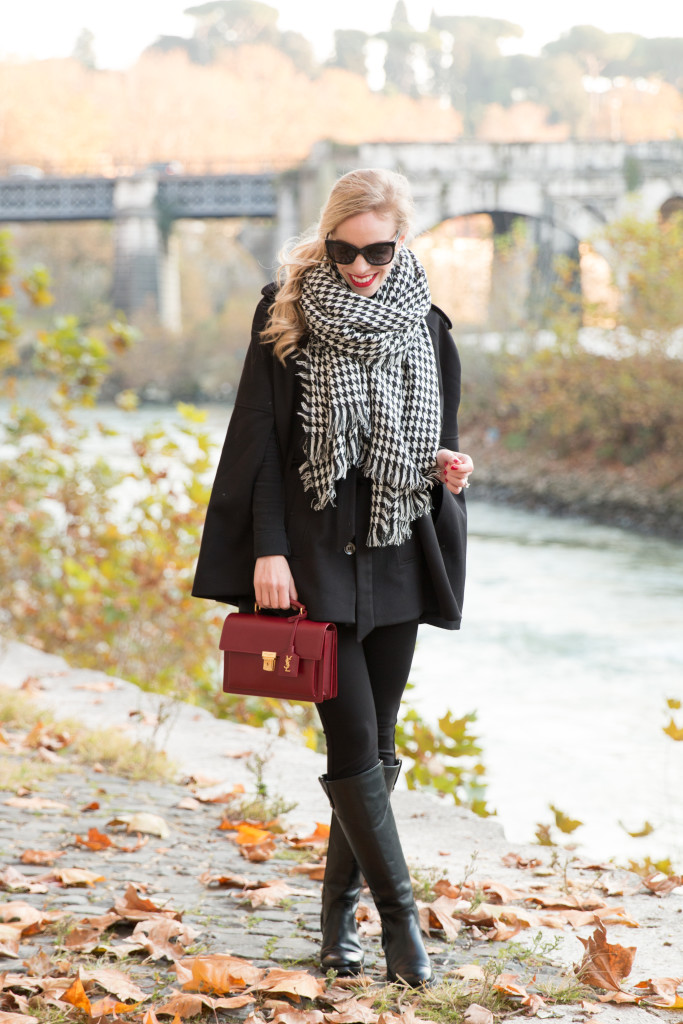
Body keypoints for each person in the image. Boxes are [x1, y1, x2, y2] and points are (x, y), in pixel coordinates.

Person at [192, 168, 473, 987]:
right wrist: (266, 551)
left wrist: (449, 470)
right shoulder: (284, 311)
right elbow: (259, 446)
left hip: (397, 551)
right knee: (350, 740)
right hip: (312, 555)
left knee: (377, 750)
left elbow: (438, 441)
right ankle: (399, 926)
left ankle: (332, 926)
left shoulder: (427, 323)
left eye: (376, 250)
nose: (359, 266)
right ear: (326, 237)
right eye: (345, 250)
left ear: (402, 240)